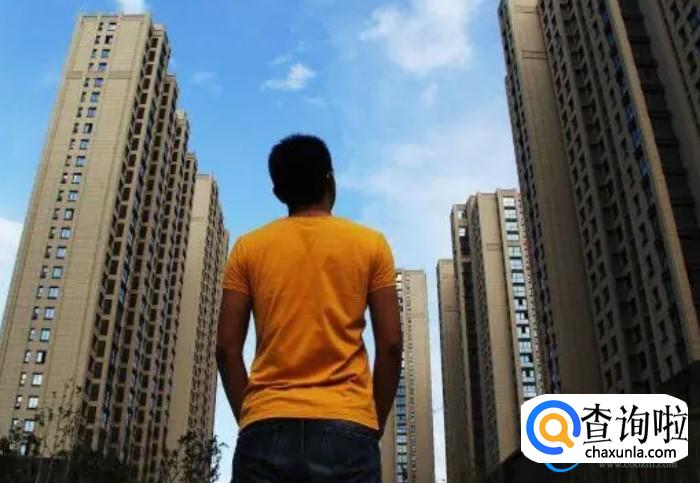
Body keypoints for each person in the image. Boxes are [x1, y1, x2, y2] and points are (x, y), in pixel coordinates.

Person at [216, 134, 402, 483]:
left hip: (265, 426)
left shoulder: (247, 248)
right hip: (348, 425)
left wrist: (254, 416)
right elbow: (391, 345)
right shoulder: (371, 245)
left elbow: (226, 349)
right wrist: (369, 422)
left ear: (278, 192)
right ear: (331, 180)